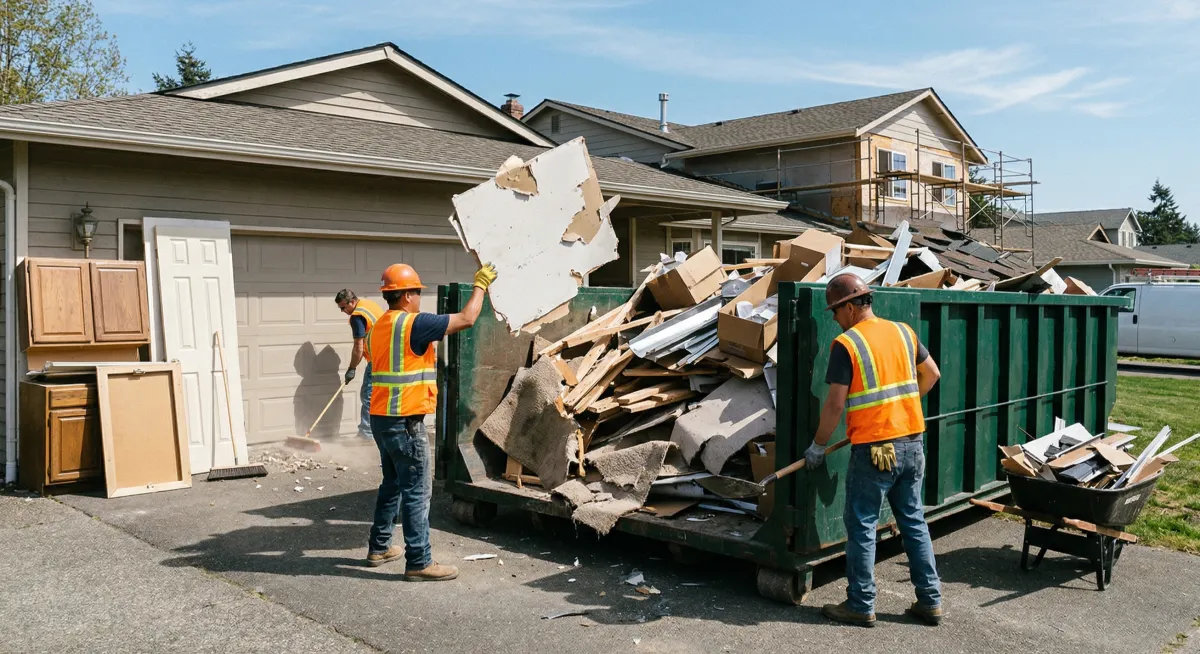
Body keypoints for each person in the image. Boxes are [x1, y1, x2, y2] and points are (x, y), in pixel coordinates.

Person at [806, 273, 944, 628]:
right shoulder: (903, 332)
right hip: (912, 442)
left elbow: (835, 405)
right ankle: (930, 601)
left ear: (850, 308)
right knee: (913, 521)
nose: (834, 320)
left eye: (835, 313)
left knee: (862, 525)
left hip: (875, 449)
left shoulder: (847, 344)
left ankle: (860, 604)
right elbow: (931, 375)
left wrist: (818, 445)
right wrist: (900, 409)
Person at [364, 261, 497, 581]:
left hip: (381, 419)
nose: (420, 298)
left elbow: (379, 361)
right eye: (417, 292)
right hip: (405, 423)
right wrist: (480, 285)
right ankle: (419, 561)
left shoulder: (377, 327)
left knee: (392, 484)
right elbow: (467, 319)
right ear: (407, 295)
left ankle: (379, 546)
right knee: (417, 492)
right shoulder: (413, 324)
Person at [335, 289, 384, 440]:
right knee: (381, 396)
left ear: (352, 302)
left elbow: (358, 347)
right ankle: (378, 431)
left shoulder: (357, 316)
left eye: (344, 307)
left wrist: (351, 369)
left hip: (377, 360)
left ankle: (366, 434)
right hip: (387, 357)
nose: (343, 311)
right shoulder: (369, 304)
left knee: (368, 396)